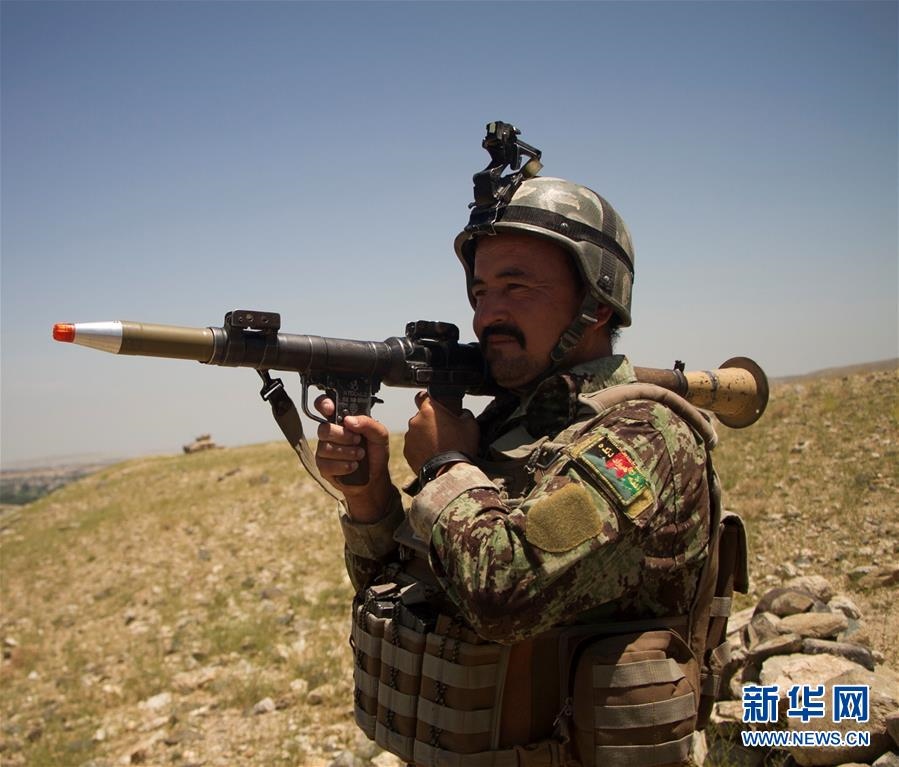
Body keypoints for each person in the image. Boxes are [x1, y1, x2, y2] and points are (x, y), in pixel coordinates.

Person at [313, 126, 744, 767]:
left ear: (597, 305)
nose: (487, 314)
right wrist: (369, 497)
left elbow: (503, 595)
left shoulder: (644, 440)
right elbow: (411, 593)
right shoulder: (510, 425)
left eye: (517, 287)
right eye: (480, 292)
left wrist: (445, 466)